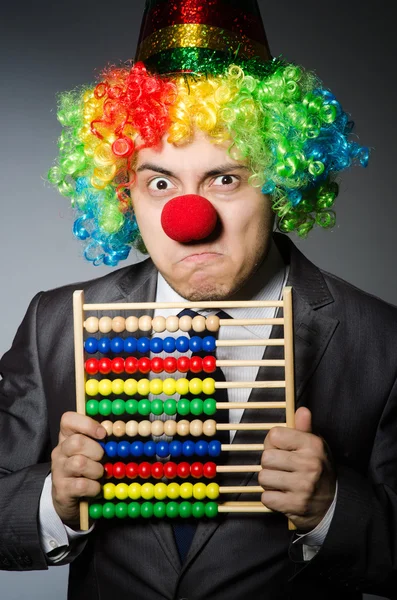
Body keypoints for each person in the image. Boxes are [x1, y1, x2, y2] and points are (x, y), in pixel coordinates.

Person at [1, 0, 396, 598]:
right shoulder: (55, 323)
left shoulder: (381, 341)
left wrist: (333, 507)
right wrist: (51, 500)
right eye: (160, 183)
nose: (189, 218)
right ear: (121, 192)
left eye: (225, 179)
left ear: (282, 181)